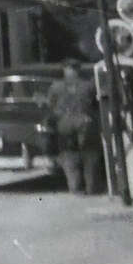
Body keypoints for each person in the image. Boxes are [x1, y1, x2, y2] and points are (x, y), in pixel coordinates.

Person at [47, 61, 104, 194]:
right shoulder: (88, 85)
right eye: (70, 69)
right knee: (86, 156)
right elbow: (97, 105)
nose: (70, 71)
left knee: (74, 157)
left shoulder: (58, 86)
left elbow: (51, 105)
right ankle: (88, 187)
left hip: (70, 124)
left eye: (70, 69)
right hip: (80, 123)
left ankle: (80, 188)